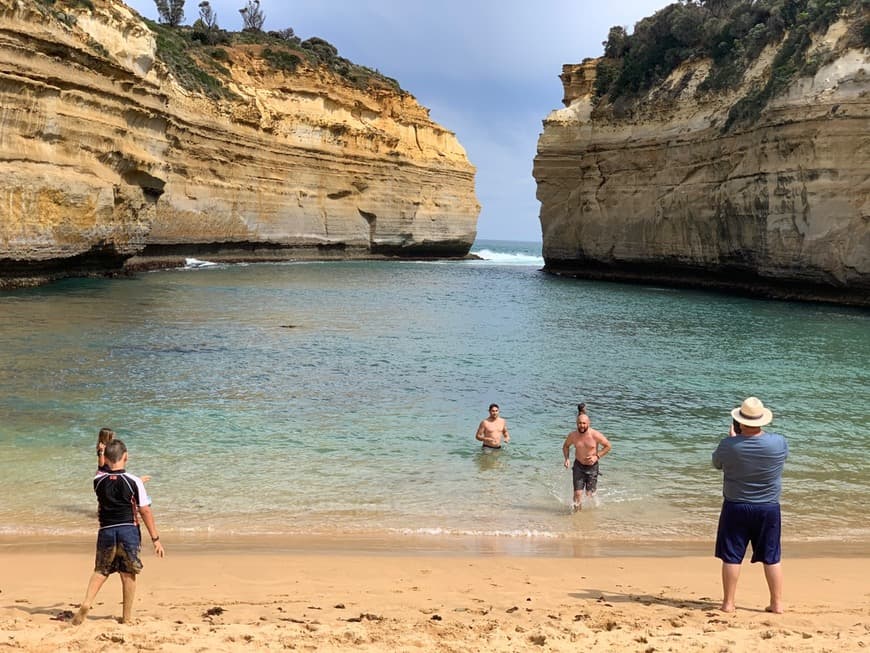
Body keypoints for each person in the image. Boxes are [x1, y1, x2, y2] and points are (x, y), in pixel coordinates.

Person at [72, 438, 165, 625]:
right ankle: (127, 618)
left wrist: (99, 452)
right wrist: (155, 539)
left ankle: (87, 603)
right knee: (128, 573)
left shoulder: (97, 481)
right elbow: (144, 510)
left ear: (105, 457)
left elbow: (104, 472)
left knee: (101, 570)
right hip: (128, 531)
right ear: (126, 456)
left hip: (106, 531)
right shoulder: (134, 481)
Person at [712, 396, 788, 614]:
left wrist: (732, 441)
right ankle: (777, 603)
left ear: (740, 421)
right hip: (768, 507)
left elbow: (717, 464)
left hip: (736, 505)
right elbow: (781, 460)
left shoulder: (728, 445)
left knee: (732, 556)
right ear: (762, 420)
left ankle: (728, 603)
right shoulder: (779, 442)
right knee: (772, 557)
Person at [562, 406, 612, 510]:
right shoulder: (573, 435)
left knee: (589, 494)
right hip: (578, 466)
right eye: (580, 423)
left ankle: (594, 509)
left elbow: (608, 446)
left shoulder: (595, 435)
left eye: (584, 423)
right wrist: (566, 458)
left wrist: (597, 456)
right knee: (577, 494)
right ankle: (577, 516)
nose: (582, 425)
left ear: (588, 424)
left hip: (592, 467)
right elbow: (565, 446)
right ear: (577, 423)